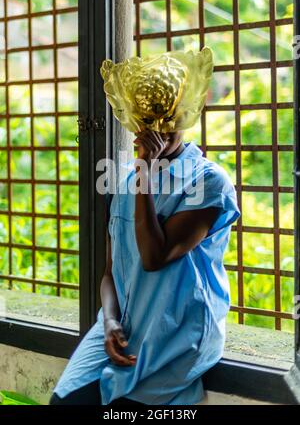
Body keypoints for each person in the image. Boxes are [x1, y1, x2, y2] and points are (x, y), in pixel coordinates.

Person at [49, 129, 240, 405]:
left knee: (124, 409)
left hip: (174, 335)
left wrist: (145, 173)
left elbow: (154, 256)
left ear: (185, 116)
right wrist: (110, 320)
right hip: (123, 325)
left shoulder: (209, 181)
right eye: (146, 118)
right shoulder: (124, 177)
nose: (156, 129)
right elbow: (111, 272)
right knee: (63, 401)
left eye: (167, 118)